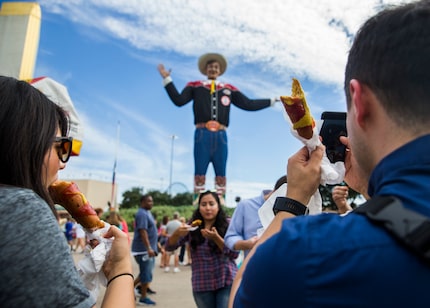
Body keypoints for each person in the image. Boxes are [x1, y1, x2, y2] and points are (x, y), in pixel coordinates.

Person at [230, 1, 430, 306]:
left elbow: (243, 293)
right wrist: (371, 190)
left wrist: (293, 200)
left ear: (359, 101)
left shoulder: (309, 255)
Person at [0, 76, 134, 307]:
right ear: (26, 142)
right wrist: (121, 270)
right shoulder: (20, 209)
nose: (64, 163)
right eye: (62, 147)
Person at [158, 54, 277, 202]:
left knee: (221, 170)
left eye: (216, 67)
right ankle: (198, 202)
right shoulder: (195, 86)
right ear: (205, 69)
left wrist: (271, 101)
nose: (213, 69)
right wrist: (167, 80)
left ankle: (221, 202)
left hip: (221, 134)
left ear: (220, 70)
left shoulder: (228, 89)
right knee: (200, 170)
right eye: (210, 67)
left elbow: (248, 104)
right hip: (202, 133)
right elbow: (179, 100)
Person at [166, 190, 239, 308]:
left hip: (227, 280)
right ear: (199, 207)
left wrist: (216, 238)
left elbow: (234, 253)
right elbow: (169, 247)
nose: (208, 208)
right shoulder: (192, 226)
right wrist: (176, 233)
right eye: (203, 204)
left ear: (218, 206)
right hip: (202, 283)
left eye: (211, 204)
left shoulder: (228, 224)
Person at [224, 176, 287, 258]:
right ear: (276, 191)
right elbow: (231, 237)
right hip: (252, 267)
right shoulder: (245, 206)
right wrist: (247, 244)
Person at [131, 194, 159, 306]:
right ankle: (143, 297)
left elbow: (152, 231)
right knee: (145, 274)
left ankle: (136, 288)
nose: (151, 203)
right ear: (142, 202)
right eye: (149, 201)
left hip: (148, 249)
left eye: (152, 201)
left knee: (146, 273)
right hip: (143, 250)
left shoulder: (147, 213)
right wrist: (148, 248)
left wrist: (157, 245)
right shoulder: (142, 214)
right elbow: (143, 232)